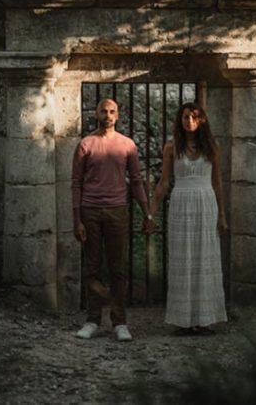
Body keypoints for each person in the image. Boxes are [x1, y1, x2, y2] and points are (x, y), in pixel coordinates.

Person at [71, 98, 154, 342]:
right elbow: (76, 183)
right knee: (92, 267)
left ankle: (120, 322)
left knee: (118, 269)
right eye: (103, 111)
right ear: (96, 113)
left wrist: (147, 213)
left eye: (112, 111)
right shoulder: (86, 144)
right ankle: (92, 320)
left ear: (117, 116)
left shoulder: (127, 145)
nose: (107, 115)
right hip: (90, 210)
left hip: (117, 210)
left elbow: (137, 181)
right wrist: (78, 219)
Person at [149, 101, 228, 334]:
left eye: (194, 117)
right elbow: (164, 182)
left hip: (206, 203)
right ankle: (183, 320)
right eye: (185, 117)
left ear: (202, 120)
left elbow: (217, 182)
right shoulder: (171, 147)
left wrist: (222, 214)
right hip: (181, 203)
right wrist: (151, 212)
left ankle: (204, 319)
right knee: (183, 259)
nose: (190, 121)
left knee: (205, 259)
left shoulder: (212, 147)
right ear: (180, 121)